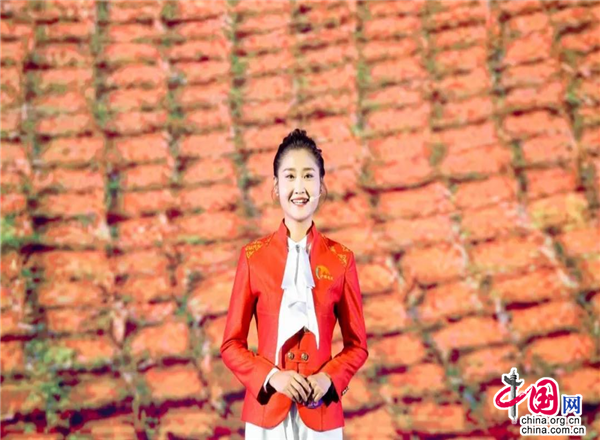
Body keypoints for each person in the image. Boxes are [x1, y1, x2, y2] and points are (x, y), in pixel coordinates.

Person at [220, 129, 369, 439]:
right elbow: (231, 345)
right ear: (276, 187)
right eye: (290, 176)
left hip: (322, 415)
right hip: (266, 415)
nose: (299, 187)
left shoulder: (341, 259)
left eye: (308, 176)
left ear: (321, 186)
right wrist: (273, 377)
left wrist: (328, 379)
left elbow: (357, 346)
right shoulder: (253, 257)